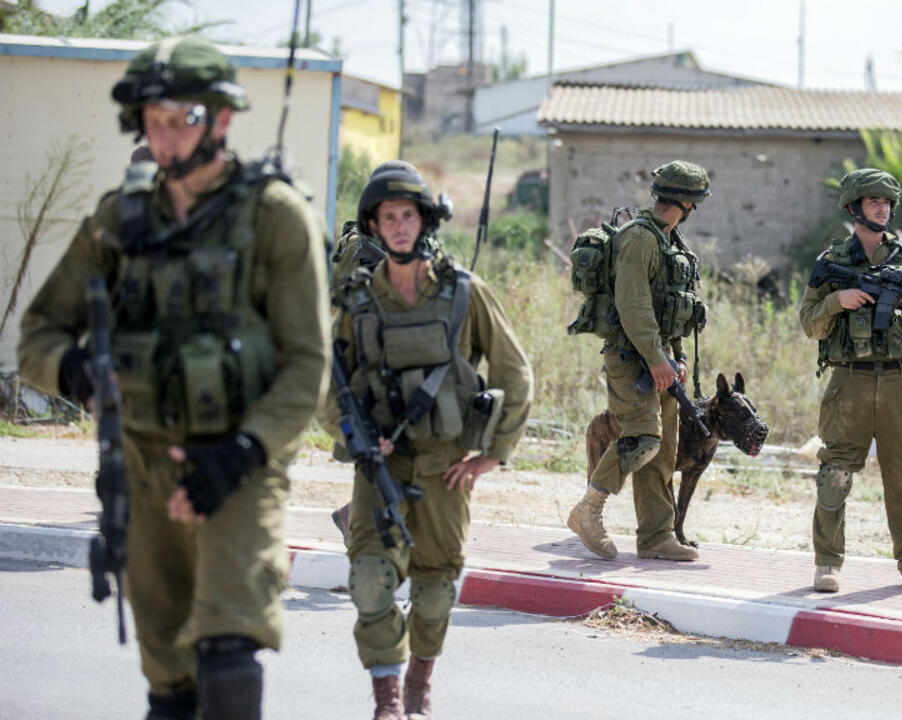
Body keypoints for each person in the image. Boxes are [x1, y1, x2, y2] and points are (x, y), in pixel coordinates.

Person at [17, 36, 330, 720]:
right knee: (170, 683)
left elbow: (308, 362)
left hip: (241, 467)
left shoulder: (275, 216)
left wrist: (243, 451)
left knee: (228, 653)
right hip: (142, 464)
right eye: (152, 120)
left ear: (221, 119)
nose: (163, 136)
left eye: (180, 119)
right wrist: (76, 371)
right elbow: (37, 333)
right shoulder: (119, 219)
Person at [325, 160, 532, 720]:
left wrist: (493, 454)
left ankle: (419, 681)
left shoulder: (464, 292)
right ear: (373, 226)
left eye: (408, 216)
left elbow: (515, 373)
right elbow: (328, 385)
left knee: (435, 589)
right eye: (387, 217)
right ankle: (388, 699)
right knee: (371, 581)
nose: (399, 226)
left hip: (446, 464)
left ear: (425, 222)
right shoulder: (357, 299)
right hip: (380, 466)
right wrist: (357, 439)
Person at [799, 168, 902, 593]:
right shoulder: (831, 262)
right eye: (874, 202)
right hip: (850, 383)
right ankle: (828, 562)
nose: (882, 209)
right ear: (854, 208)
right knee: (835, 475)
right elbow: (810, 324)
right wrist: (836, 300)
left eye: (887, 203)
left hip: (901, 382)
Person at [566, 161, 711, 563]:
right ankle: (588, 510)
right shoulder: (639, 238)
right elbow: (633, 305)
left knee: (664, 450)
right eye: (695, 203)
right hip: (632, 358)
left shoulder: (670, 240)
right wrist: (655, 357)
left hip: (661, 358)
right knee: (643, 437)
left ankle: (656, 535)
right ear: (686, 203)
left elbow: (672, 305)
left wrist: (677, 357)